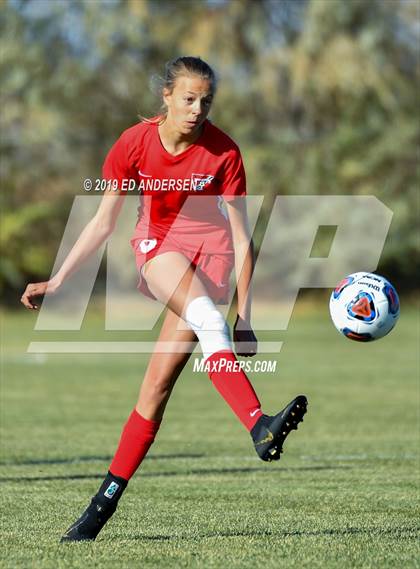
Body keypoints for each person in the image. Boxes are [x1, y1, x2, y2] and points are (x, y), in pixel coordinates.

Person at [21, 56, 308, 542]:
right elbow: (103, 223)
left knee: (154, 391)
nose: (198, 109)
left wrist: (247, 315)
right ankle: (259, 423)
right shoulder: (133, 144)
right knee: (203, 319)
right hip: (158, 246)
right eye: (189, 98)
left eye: (207, 100)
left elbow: (241, 238)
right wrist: (59, 279)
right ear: (167, 97)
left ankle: (98, 511)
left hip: (212, 255)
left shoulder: (225, 153)